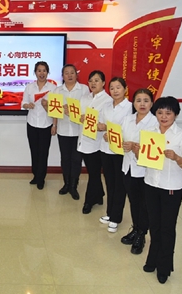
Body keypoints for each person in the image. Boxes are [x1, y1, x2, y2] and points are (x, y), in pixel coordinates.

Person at [142, 96, 182, 284]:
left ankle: (164, 267)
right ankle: (152, 259)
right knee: (154, 225)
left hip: (171, 187)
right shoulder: (150, 132)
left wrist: (177, 158)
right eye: (160, 112)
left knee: (167, 227)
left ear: (176, 115)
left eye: (168, 113)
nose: (163, 117)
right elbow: (144, 157)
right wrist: (138, 150)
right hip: (151, 184)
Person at [119, 88, 158, 254]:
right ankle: (135, 229)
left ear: (151, 103)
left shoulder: (155, 123)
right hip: (128, 167)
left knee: (144, 204)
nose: (142, 104)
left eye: (146, 101)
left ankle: (141, 234)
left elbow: (154, 147)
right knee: (133, 201)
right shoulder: (128, 119)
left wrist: (136, 147)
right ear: (133, 103)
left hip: (144, 170)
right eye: (138, 100)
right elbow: (121, 137)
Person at [52, 64, 89, 200]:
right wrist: (54, 125)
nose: (69, 75)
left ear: (76, 75)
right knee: (65, 159)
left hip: (79, 130)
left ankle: (74, 186)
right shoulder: (57, 90)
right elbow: (54, 110)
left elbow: (87, 109)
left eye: (72, 72)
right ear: (62, 76)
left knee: (76, 159)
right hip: (63, 130)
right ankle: (66, 184)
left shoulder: (84, 89)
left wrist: (73, 110)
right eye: (66, 73)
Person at [99, 77, 132, 233]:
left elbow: (129, 129)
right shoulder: (106, 106)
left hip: (120, 151)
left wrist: (111, 132)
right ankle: (109, 212)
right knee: (110, 182)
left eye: (118, 87)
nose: (115, 91)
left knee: (120, 184)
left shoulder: (130, 107)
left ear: (125, 89)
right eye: (112, 88)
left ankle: (116, 217)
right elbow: (101, 124)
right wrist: (101, 127)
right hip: (106, 148)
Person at [77, 70, 112, 214]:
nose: (93, 83)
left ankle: (89, 201)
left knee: (93, 173)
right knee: (94, 172)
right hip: (83, 139)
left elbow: (107, 121)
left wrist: (95, 122)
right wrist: (79, 117)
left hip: (97, 142)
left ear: (103, 83)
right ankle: (99, 195)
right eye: (91, 80)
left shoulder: (108, 100)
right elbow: (79, 115)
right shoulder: (84, 98)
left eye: (96, 80)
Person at [22, 61, 56, 190]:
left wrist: (54, 125)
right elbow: (23, 102)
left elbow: (56, 109)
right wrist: (27, 105)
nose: (42, 73)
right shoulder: (29, 87)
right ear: (35, 72)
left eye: (44, 71)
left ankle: (41, 178)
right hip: (31, 124)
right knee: (34, 151)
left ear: (48, 72)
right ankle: (36, 175)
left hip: (46, 124)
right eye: (39, 70)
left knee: (43, 152)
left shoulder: (53, 88)